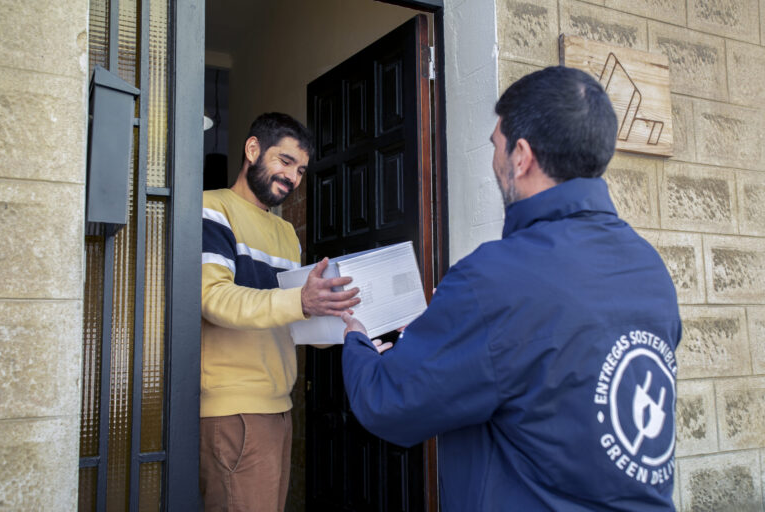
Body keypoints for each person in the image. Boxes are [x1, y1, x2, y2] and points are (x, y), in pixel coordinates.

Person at [341, 66, 681, 511]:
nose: (494, 159)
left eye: (496, 145)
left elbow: (388, 400)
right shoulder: (649, 266)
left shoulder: (493, 279)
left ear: (521, 156)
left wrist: (356, 339)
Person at [200, 112, 360, 512]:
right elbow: (214, 299)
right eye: (285, 161)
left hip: (280, 406)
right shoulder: (211, 209)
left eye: (301, 170)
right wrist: (302, 302)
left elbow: (293, 323)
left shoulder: (287, 233)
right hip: (234, 410)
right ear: (252, 149)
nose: (293, 177)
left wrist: (348, 326)